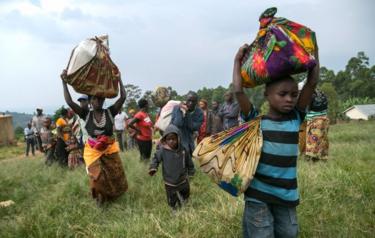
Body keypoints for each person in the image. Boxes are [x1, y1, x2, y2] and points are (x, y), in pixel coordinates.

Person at [232, 43, 319, 238]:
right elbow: (239, 91)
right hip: (258, 194)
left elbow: (311, 83)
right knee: (261, 234)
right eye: (283, 94)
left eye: (294, 95)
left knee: (289, 232)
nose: (289, 99)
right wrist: (237, 60)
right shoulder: (255, 121)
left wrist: (314, 52)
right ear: (267, 95)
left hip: (286, 194)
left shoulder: (296, 118)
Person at [61, 69, 128, 204]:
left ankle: (112, 197)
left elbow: (123, 97)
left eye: (100, 98)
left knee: (115, 175)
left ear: (103, 100)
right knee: (96, 178)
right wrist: (64, 82)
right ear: (90, 101)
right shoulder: (85, 114)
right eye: (94, 98)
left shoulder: (111, 112)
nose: (97, 100)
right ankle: (99, 200)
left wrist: (119, 79)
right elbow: (69, 102)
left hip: (109, 149)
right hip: (92, 151)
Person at [149, 124, 192, 210]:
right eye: (169, 139)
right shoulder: (162, 150)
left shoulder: (183, 150)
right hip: (169, 180)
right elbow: (156, 159)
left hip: (182, 178)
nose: (171, 141)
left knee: (185, 192)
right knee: (171, 196)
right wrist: (153, 167)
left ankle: (184, 203)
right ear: (165, 139)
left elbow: (188, 161)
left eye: (174, 139)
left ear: (178, 138)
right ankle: (173, 208)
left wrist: (191, 171)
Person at [171, 91, 203, 176]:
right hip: (177, 138)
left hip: (188, 141)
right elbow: (177, 124)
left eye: (193, 101)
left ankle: (188, 178)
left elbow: (193, 127)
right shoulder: (177, 108)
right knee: (177, 162)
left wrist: (187, 113)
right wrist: (180, 110)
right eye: (189, 100)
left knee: (187, 162)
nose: (190, 103)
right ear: (185, 99)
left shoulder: (199, 113)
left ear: (196, 102)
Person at [304, 89, 329, 161]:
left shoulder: (308, 95)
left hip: (314, 121)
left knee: (312, 140)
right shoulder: (321, 93)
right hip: (324, 119)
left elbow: (306, 109)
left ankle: (313, 158)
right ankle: (323, 156)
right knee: (323, 139)